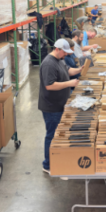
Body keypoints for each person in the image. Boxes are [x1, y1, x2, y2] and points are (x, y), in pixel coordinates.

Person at [38, 39, 81, 174]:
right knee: (51, 135)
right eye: (64, 52)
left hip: (60, 104)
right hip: (51, 106)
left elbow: (68, 71)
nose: (65, 55)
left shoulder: (59, 59)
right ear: (57, 49)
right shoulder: (48, 64)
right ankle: (47, 165)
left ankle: (58, 159)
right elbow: (49, 85)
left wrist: (81, 69)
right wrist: (69, 84)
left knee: (58, 134)